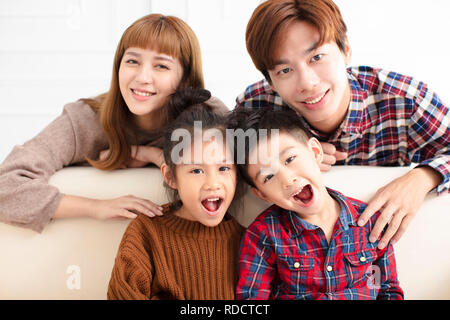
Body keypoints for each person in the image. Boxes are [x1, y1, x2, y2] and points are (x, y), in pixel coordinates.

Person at [236, 0, 449, 250]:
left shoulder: (405, 100)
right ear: (270, 81)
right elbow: (224, 170)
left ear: (345, 48)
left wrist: (422, 177)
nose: (307, 82)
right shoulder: (254, 107)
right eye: (284, 70)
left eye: (316, 57)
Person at [0, 14, 227, 233]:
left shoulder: (207, 116)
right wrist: (96, 207)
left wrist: (150, 155)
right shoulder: (84, 119)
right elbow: (6, 185)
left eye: (161, 66)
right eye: (132, 61)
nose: (142, 77)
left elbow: (242, 171)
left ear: (185, 79)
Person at [228, 106, 404, 300]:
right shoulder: (263, 234)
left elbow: (387, 290)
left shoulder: (370, 221)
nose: (287, 180)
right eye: (269, 176)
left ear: (314, 152)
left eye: (290, 159)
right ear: (262, 195)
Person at [107, 89, 245, 299]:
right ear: (171, 177)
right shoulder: (147, 232)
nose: (212, 183)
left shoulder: (248, 241)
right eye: (196, 170)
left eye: (224, 168)